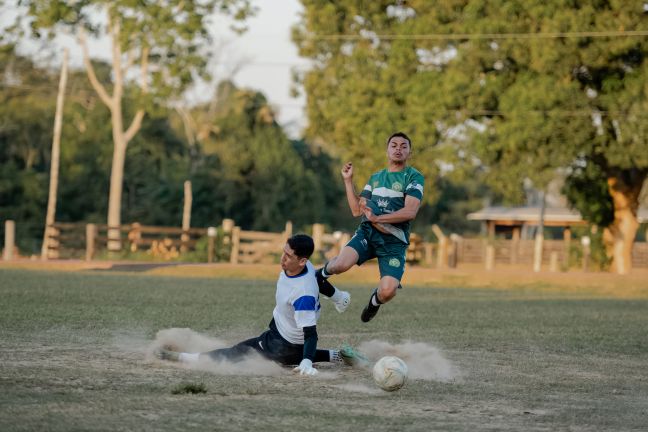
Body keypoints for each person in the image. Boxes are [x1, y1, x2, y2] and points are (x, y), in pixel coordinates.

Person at [155, 234, 367, 375]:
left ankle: (180, 358)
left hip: (281, 344)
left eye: (288, 256)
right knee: (292, 354)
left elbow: (310, 334)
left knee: (235, 353)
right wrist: (338, 297)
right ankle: (338, 355)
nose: (283, 258)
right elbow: (319, 278)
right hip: (284, 337)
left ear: (301, 260)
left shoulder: (303, 294)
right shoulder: (306, 266)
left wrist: (307, 363)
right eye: (284, 252)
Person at [317, 132, 424, 322]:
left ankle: (374, 302)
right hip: (368, 233)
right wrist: (348, 181)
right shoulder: (376, 178)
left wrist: (378, 217)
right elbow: (356, 210)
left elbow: (410, 212)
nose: (398, 149)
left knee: (388, 291)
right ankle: (318, 276)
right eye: (394, 145)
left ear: (410, 152)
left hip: (394, 242)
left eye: (403, 146)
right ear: (387, 150)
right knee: (340, 264)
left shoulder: (414, 177)